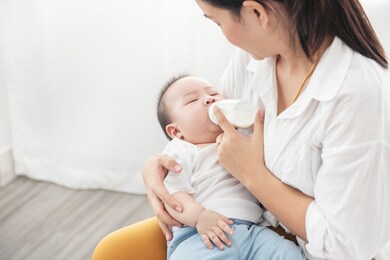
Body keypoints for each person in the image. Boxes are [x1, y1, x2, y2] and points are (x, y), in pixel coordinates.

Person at [93, 1, 390, 260]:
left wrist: (253, 175)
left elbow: (346, 246)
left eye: (218, 21)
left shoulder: (357, 96)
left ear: (256, 13)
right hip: (237, 229)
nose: (224, 34)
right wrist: (155, 167)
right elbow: (211, 133)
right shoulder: (255, 56)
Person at [156, 74, 306, 260]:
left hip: (252, 234)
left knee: (287, 253)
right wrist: (199, 217)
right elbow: (172, 195)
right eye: (192, 100)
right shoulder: (181, 150)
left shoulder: (241, 139)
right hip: (200, 236)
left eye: (213, 93)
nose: (209, 99)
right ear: (176, 131)